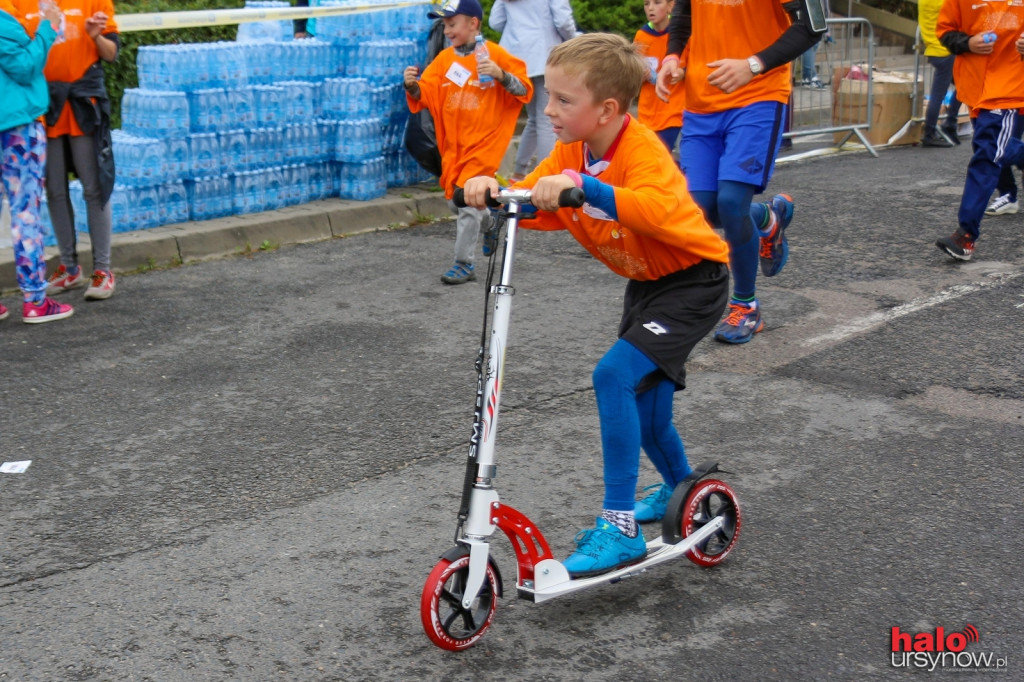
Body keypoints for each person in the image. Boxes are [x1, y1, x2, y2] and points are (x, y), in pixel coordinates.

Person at [463, 33, 731, 577]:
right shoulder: (570, 154)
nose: (549, 108)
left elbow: (653, 208)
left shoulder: (641, 151)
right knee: (648, 408)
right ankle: (683, 488)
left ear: (607, 109)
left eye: (564, 100)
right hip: (648, 286)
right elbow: (534, 198)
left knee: (613, 376)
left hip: (694, 284)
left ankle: (621, 528)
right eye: (551, 96)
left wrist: (584, 187)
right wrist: (492, 189)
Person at [656, 0, 825, 344]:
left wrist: (754, 64)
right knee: (700, 210)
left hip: (758, 96)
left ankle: (746, 305)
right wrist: (673, 56)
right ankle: (767, 219)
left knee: (732, 202)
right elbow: (684, 13)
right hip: (701, 103)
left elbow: (813, 25)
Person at [404, 0, 531, 284]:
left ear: (473, 24)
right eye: (444, 25)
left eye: (452, 24)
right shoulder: (444, 60)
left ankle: (464, 263)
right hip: (453, 149)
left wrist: (500, 75)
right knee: (457, 202)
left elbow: (524, 89)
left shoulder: (495, 54)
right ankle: (492, 221)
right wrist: (411, 85)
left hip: (484, 146)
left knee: (467, 206)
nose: (447, 30)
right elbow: (424, 94)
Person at [0, 0, 74, 323]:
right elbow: (26, 67)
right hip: (16, 127)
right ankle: (35, 300)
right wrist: (47, 28)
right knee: (26, 211)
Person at [934, 3, 1024, 261]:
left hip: (1009, 88)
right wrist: (968, 43)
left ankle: (965, 236)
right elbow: (945, 32)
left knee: (987, 156)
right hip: (975, 90)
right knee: (997, 149)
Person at [43, 0, 119, 301]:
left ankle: (103, 270)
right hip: (45, 103)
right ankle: (70, 268)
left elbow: (111, 53)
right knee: (55, 190)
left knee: (94, 188)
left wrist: (94, 36)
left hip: (83, 101)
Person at [489, 0, 577, 181]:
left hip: (515, 58)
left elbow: (495, 22)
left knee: (535, 119)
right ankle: (546, 175)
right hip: (545, 53)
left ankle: (519, 172)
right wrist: (574, 41)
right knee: (547, 120)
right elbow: (563, 22)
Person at [633, 0, 686, 153]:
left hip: (674, 112)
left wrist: (683, 73)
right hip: (647, 114)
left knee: (664, 157)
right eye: (646, 3)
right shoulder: (641, 36)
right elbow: (633, 73)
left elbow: (695, 65)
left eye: (657, 3)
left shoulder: (681, 35)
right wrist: (639, 73)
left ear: (671, 5)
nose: (650, 8)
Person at [919, 0, 962, 147]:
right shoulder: (944, 2)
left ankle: (949, 123)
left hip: (933, 50)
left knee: (963, 86)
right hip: (946, 51)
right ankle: (932, 132)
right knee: (939, 95)